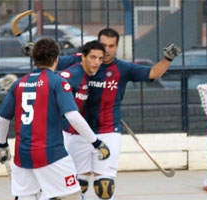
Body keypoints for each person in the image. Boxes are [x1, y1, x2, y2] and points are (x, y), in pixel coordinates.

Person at [56, 28, 181, 200]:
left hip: (108, 131)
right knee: (79, 185)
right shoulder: (79, 61)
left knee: (104, 187)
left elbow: (153, 73)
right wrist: (34, 50)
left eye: (111, 46)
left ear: (117, 47)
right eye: (103, 45)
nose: (106, 50)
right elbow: (50, 62)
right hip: (77, 132)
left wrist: (168, 59)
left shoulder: (123, 68)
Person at [0, 38, 110, 200]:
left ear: (34, 59)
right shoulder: (58, 82)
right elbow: (73, 117)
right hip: (51, 153)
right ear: (56, 59)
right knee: (74, 196)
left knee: (26, 197)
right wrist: (96, 142)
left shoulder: (19, 83)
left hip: (22, 155)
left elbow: (3, 119)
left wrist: (2, 144)